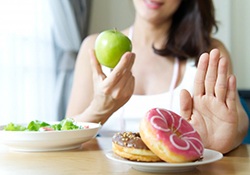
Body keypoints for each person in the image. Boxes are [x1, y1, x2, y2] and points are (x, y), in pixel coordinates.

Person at [66, 0, 249, 154]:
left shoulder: (208, 52)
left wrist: (222, 140)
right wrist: (98, 109)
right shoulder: (94, 46)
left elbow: (237, 121)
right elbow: (66, 135)